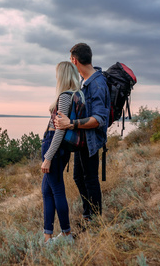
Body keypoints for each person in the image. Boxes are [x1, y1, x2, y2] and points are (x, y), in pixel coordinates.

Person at [55, 43, 110, 223]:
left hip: (91, 140)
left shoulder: (98, 84)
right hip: (82, 140)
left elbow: (99, 119)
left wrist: (71, 123)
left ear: (74, 60)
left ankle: (95, 221)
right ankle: (88, 216)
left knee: (90, 179)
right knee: (79, 177)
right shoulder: (84, 82)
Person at [41, 61, 83, 244]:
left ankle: (66, 235)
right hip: (58, 148)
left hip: (54, 147)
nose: (56, 77)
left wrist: (48, 157)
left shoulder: (66, 96)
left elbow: (60, 130)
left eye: (58, 74)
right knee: (47, 190)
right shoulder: (76, 94)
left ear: (63, 76)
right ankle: (48, 237)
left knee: (57, 191)